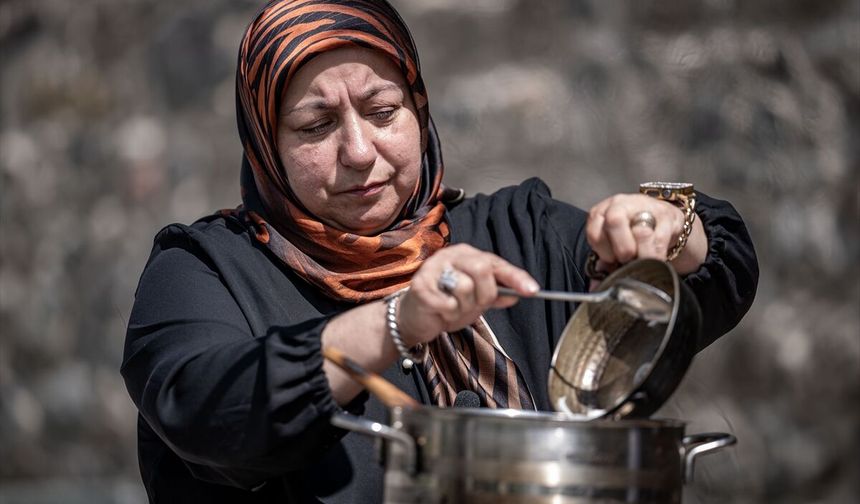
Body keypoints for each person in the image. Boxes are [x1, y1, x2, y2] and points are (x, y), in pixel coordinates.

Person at [120, 0, 758, 502]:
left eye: (382, 111)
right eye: (316, 125)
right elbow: (207, 411)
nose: (359, 152)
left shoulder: (519, 233)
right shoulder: (207, 270)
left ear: (418, 110)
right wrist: (399, 321)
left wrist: (665, 230)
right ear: (265, 143)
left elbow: (714, 278)